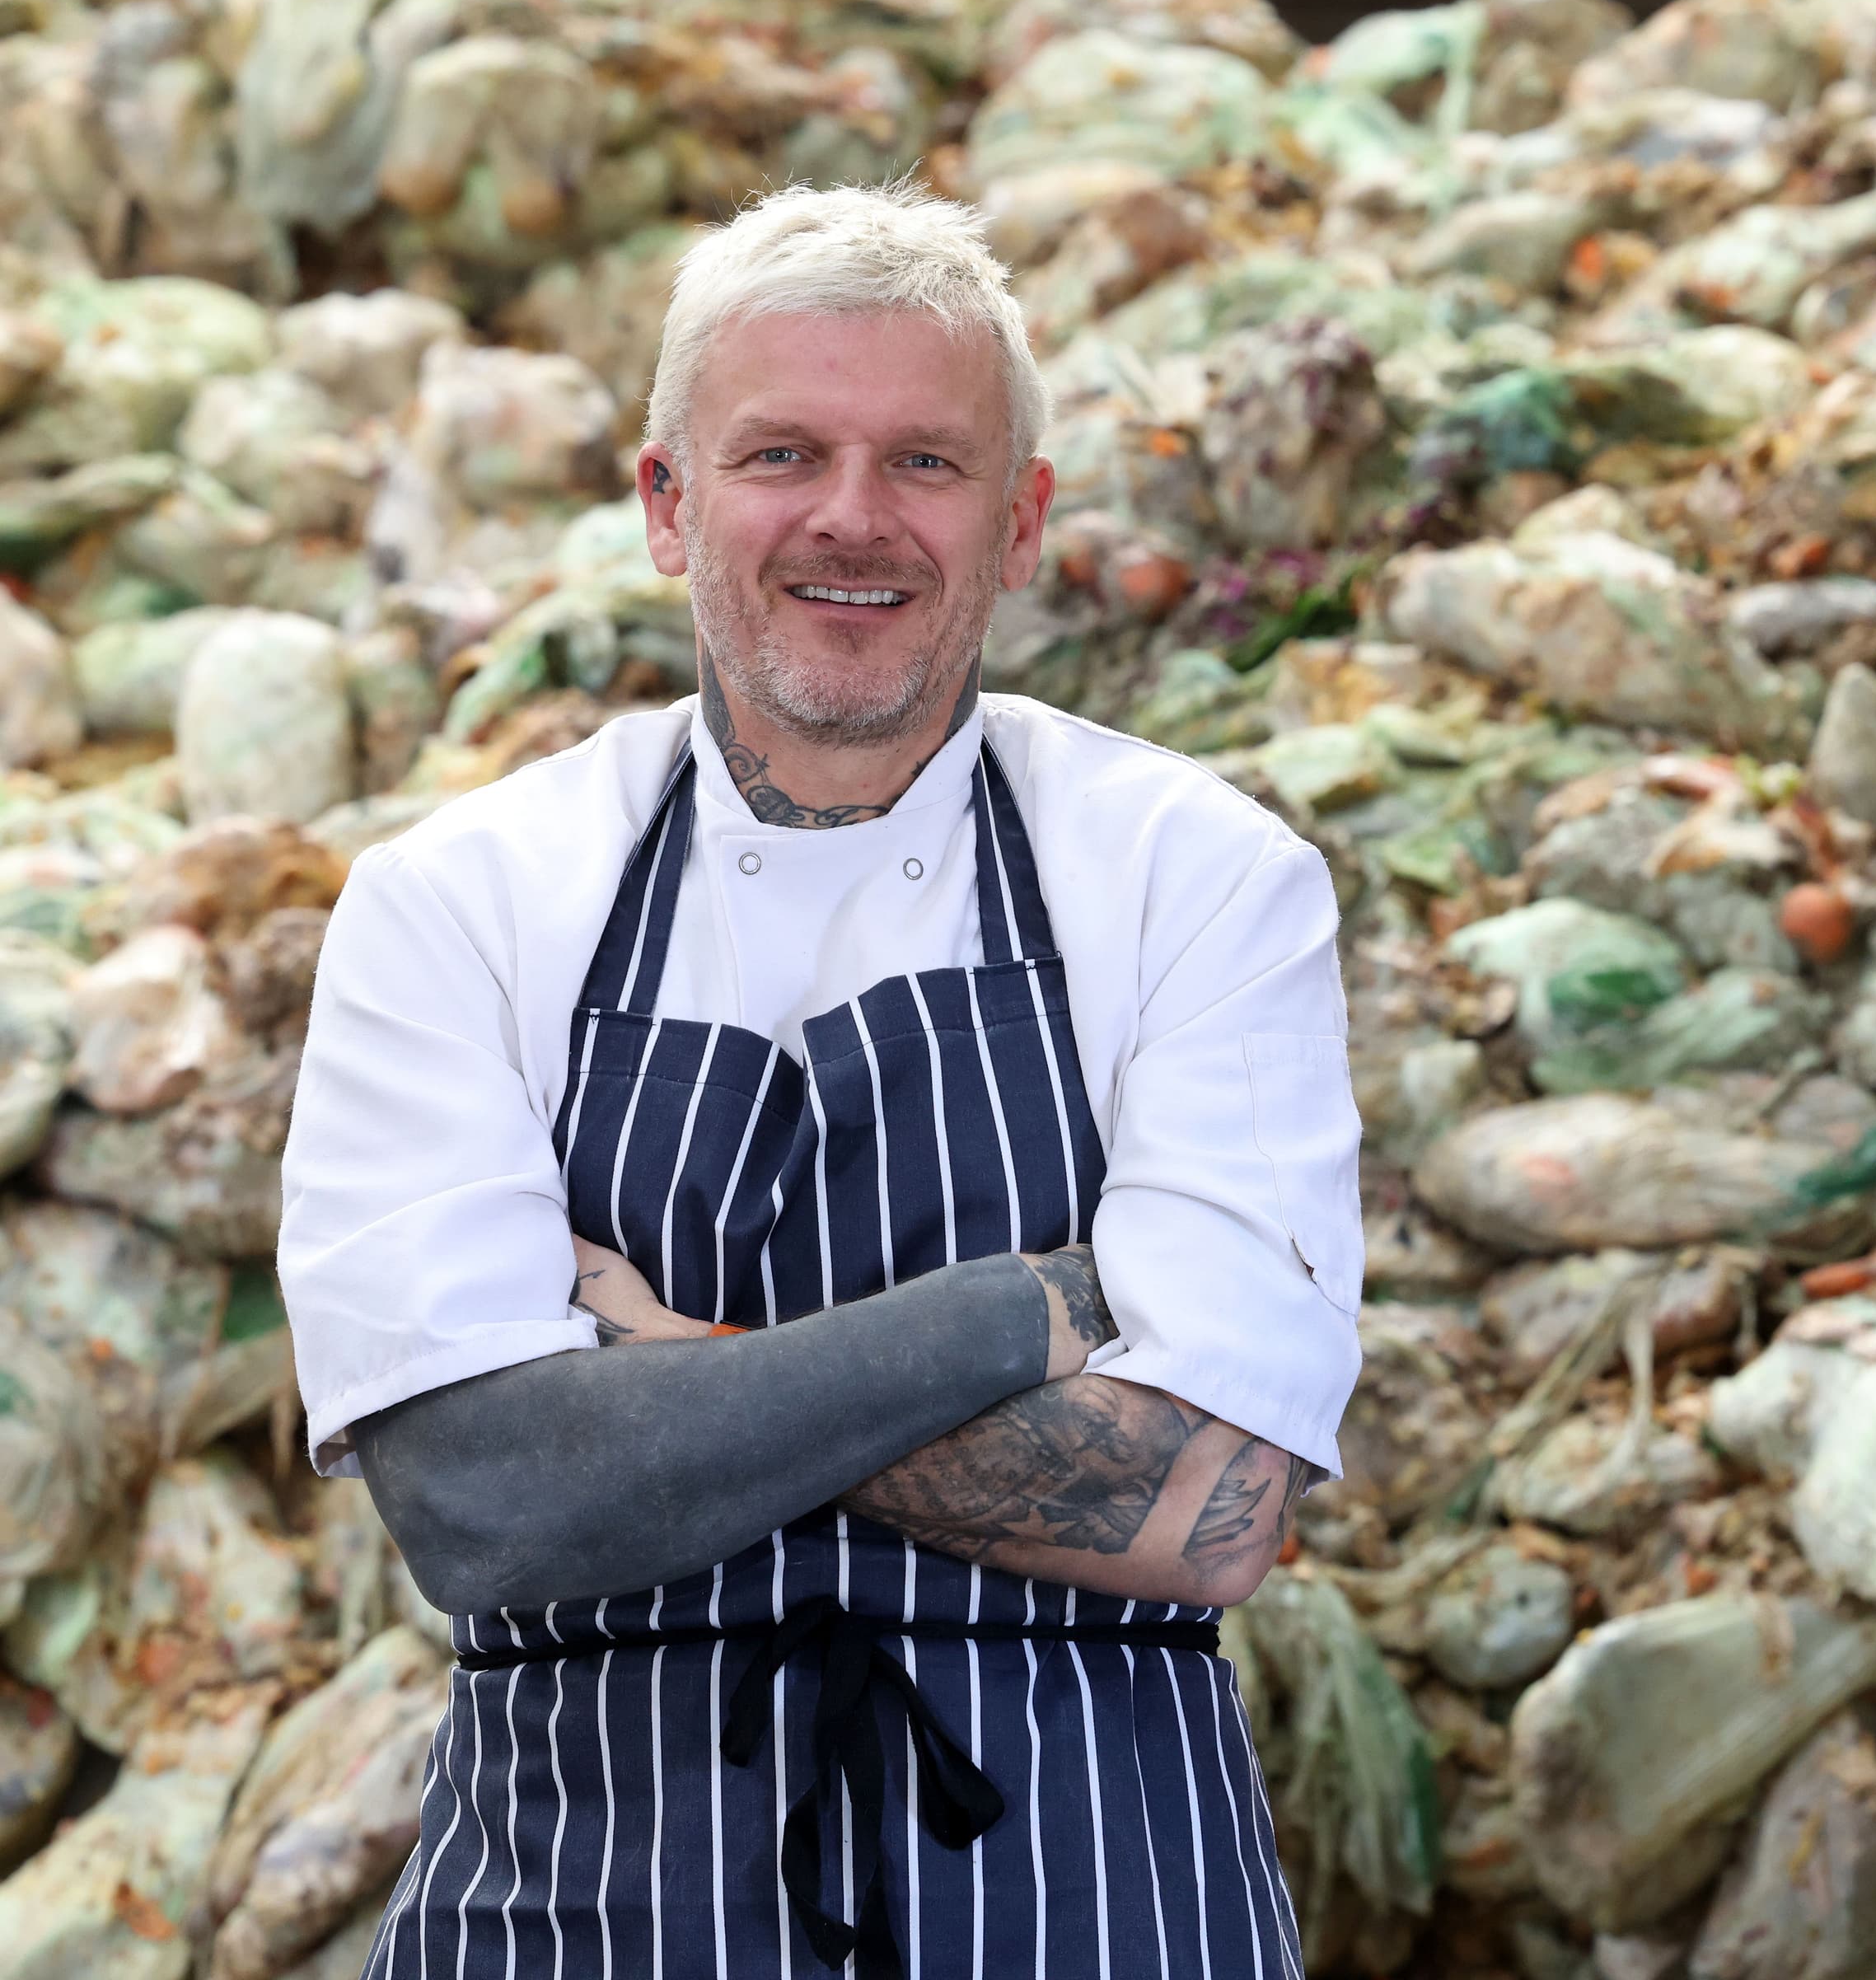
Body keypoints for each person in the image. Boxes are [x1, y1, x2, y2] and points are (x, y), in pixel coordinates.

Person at [278, 181, 1364, 1978]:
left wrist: (663, 1381)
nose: (852, 519)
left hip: (1091, 1896)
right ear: (665, 501)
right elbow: (485, 1497)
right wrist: (1011, 1317)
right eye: (781, 452)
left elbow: (1209, 1504)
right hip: (583, 1905)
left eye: (926, 465)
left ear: (1019, 525)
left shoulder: (1199, 875)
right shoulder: (462, 899)